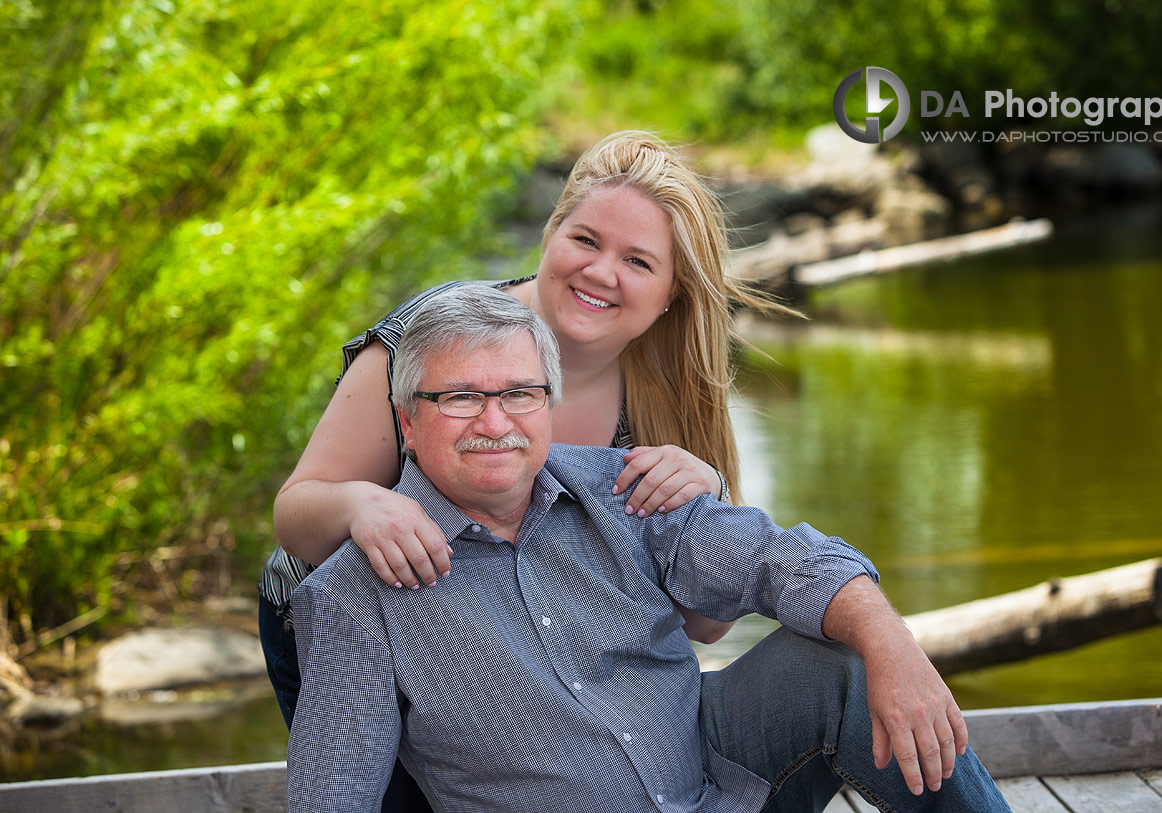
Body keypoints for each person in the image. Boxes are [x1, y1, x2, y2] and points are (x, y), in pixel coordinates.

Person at [287, 286, 1010, 813]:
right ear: (408, 422)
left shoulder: (625, 488)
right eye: (461, 398)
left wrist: (895, 645)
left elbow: (779, 557)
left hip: (715, 793)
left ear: (549, 403)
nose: (496, 421)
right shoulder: (355, 594)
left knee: (841, 658)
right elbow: (333, 797)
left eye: (520, 393)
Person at [258, 131, 795, 808]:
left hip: (506, 646)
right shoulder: (438, 337)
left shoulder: (669, 392)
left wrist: (705, 494)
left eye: (637, 260)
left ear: (669, 294)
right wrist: (362, 507)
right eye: (586, 240)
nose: (602, 271)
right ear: (551, 232)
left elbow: (707, 624)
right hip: (354, 624)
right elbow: (295, 514)